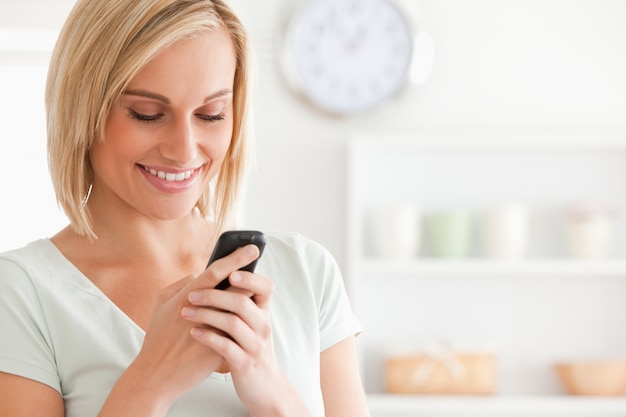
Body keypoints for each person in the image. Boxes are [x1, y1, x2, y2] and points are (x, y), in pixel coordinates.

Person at [0, 1, 370, 416]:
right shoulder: (20, 293)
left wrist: (273, 395)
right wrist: (150, 383)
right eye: (147, 114)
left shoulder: (307, 271)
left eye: (211, 115)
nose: (183, 150)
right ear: (83, 108)